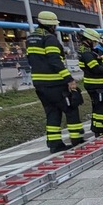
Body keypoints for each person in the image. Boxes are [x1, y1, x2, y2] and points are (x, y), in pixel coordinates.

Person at [26, 11, 84, 152]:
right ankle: (76, 139)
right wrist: (69, 79)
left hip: (39, 84)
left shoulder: (31, 38)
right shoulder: (49, 38)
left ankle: (55, 144)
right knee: (71, 108)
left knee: (52, 113)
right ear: (51, 25)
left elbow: (31, 60)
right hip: (55, 83)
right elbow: (54, 61)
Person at [77, 28, 103, 137]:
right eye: (94, 41)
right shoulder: (87, 53)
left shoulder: (86, 51)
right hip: (96, 85)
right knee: (101, 108)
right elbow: (96, 69)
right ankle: (100, 130)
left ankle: (97, 128)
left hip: (94, 84)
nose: (96, 44)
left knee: (97, 107)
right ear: (89, 40)